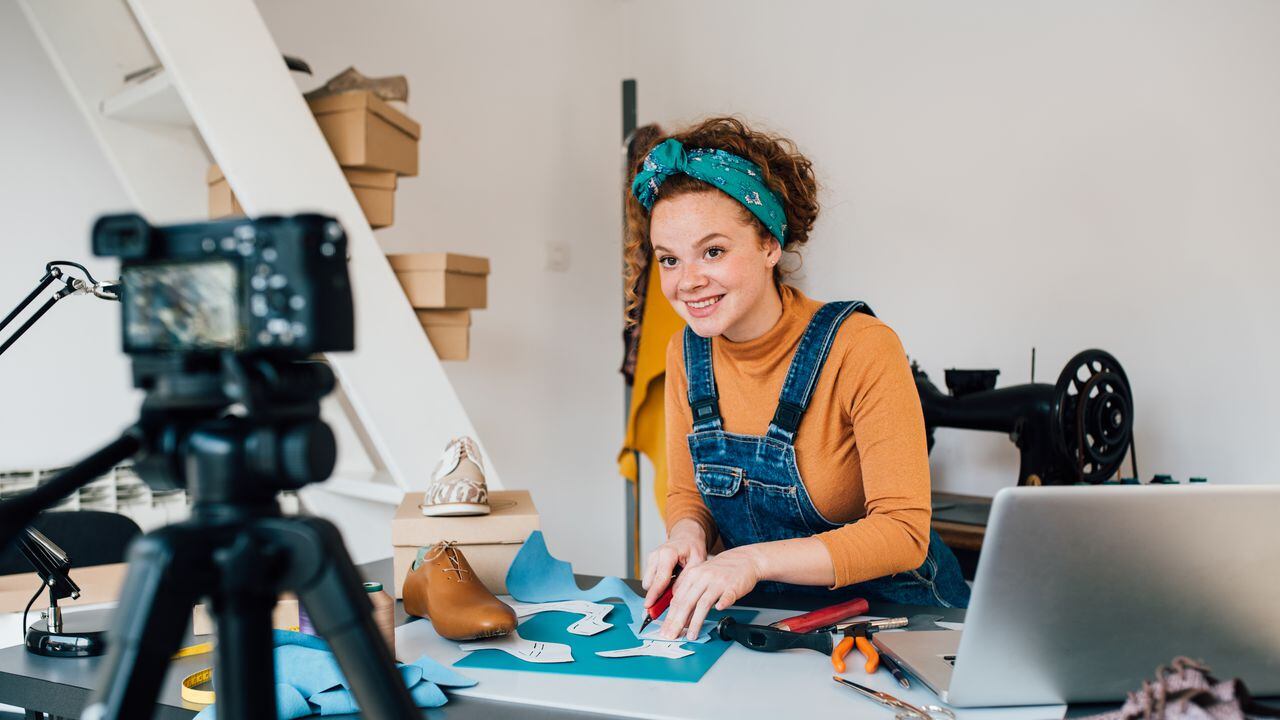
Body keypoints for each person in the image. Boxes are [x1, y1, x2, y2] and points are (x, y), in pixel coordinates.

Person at [626, 117, 970, 642]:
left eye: (713, 251)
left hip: (905, 617)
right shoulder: (684, 352)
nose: (687, 281)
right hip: (774, 620)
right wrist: (687, 535)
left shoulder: (861, 345)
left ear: (770, 244)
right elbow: (686, 492)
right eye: (670, 259)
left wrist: (752, 561)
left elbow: (903, 534)